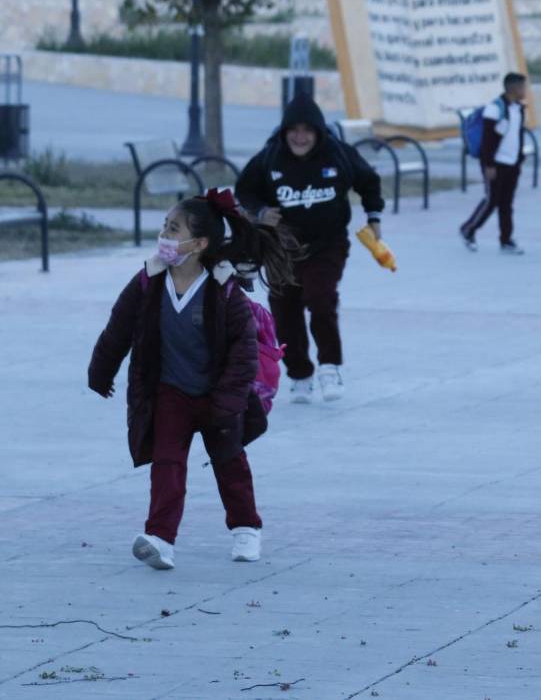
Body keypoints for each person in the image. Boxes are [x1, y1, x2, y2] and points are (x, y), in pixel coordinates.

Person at [87, 189, 295, 570]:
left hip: (219, 397)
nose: (165, 237)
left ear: (199, 243)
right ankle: (160, 538)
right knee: (167, 463)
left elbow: (244, 350)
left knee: (229, 463)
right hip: (170, 392)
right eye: (164, 228)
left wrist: (229, 401)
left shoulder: (223, 288)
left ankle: (246, 528)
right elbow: (119, 326)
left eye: (174, 230)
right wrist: (101, 371)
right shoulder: (149, 279)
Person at [235, 91, 384, 404]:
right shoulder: (269, 157)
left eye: (307, 131)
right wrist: (261, 212)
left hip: (326, 244)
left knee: (320, 298)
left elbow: (368, 181)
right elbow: (245, 190)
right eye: (294, 130)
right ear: (285, 131)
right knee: (285, 311)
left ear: (317, 132)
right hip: (280, 248)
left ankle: (330, 366)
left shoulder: (338, 154)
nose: (300, 137)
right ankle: (299, 374)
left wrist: (373, 216)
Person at [460, 72, 529, 255]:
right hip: (495, 164)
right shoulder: (495, 109)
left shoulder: (519, 108)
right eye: (523, 87)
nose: (525, 90)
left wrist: (520, 157)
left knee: (506, 203)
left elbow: (518, 134)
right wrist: (489, 164)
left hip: (512, 163)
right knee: (492, 201)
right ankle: (468, 230)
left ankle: (506, 240)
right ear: (513, 88)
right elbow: (488, 141)